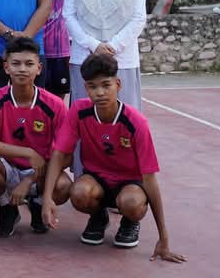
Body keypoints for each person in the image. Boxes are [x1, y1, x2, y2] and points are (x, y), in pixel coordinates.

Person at [41, 54, 186, 263]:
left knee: (131, 202)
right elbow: (59, 153)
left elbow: (150, 179)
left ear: (118, 85)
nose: (100, 92)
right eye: (93, 86)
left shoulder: (136, 122)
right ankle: (98, 217)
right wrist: (47, 198)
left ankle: (130, 222)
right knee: (79, 193)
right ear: (86, 88)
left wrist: (163, 238)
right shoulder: (79, 111)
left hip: (130, 183)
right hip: (96, 179)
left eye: (106, 85)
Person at [0, 36, 71, 237]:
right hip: (7, 168)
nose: (22, 69)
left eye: (29, 64)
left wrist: (30, 180)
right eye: (16, 64)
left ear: (39, 68)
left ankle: (38, 204)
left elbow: (66, 154)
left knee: (63, 186)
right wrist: (27, 152)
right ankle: (7, 209)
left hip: (40, 170)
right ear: (6, 67)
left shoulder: (55, 105)